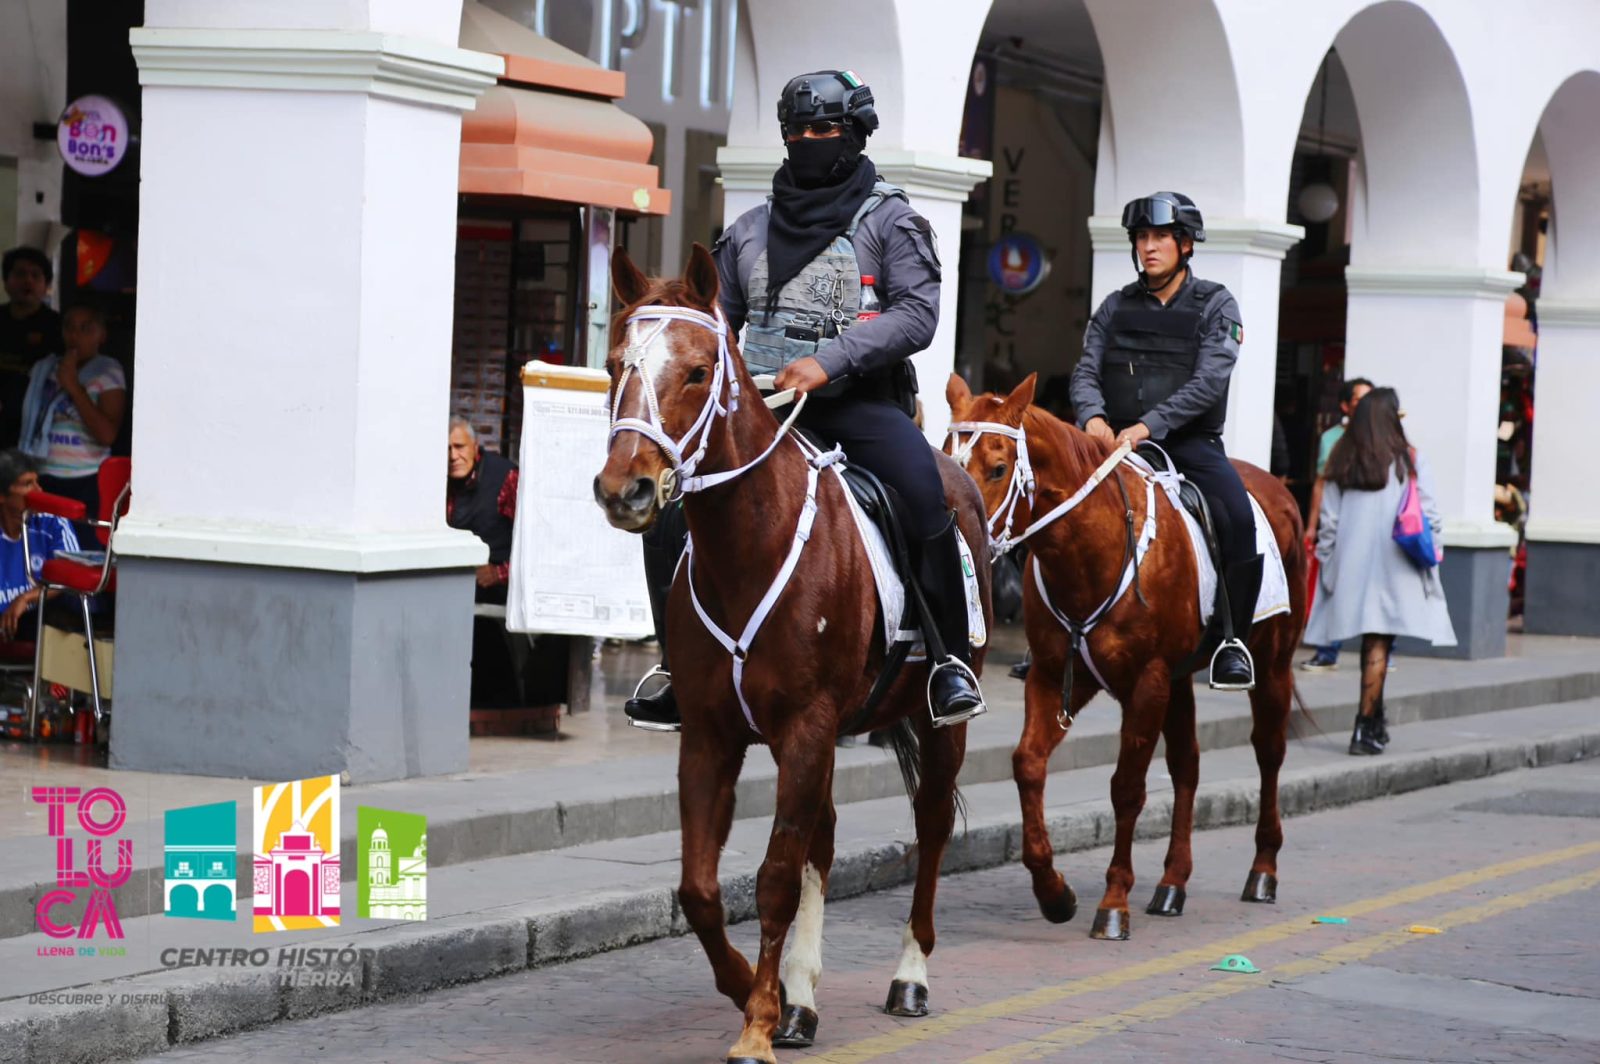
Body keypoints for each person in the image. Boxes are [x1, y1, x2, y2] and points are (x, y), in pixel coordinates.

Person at [624, 69, 986, 731]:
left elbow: (917, 315)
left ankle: (946, 660)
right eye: (796, 130)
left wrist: (828, 362)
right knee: (674, 503)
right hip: (758, 410)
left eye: (823, 128)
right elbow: (717, 321)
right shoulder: (749, 230)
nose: (808, 139)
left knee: (926, 492)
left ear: (852, 134)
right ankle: (679, 667)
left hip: (858, 405)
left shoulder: (891, 221)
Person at [1069, 191, 1260, 690]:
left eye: (1160, 238)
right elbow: (1085, 371)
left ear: (1185, 245)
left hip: (1188, 446)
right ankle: (1054, 637)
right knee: (1052, 508)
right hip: (1114, 446)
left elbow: (1209, 382)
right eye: (1142, 238)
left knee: (1239, 517)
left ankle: (1231, 640)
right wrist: (1092, 416)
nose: (1149, 247)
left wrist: (1148, 426)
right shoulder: (1114, 306)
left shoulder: (1218, 304)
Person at [1303, 388, 1455, 755]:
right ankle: (1364, 728)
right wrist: (1435, 551)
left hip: (1353, 567)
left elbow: (1329, 522)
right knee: (1379, 644)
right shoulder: (1409, 461)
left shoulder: (1343, 461)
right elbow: (1431, 515)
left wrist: (1329, 563)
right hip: (1397, 565)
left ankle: (1375, 721)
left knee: (1376, 644)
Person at [18, 304, 128, 529]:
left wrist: (73, 387)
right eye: (69, 328)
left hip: (86, 479)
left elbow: (107, 435)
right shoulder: (45, 369)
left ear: (102, 336)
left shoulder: (109, 371)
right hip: (43, 476)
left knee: (79, 550)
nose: (75, 335)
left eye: (86, 329)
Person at [1300, 376, 1372, 671]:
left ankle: (1383, 652)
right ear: (1345, 405)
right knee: (1330, 585)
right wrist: (1311, 526)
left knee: (1374, 589)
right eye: (1360, 400)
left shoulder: (1383, 438)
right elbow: (1321, 484)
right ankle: (1327, 652)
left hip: (1372, 527)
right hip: (1339, 525)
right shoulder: (1332, 439)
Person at [0, 449, 79, 643]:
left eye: (37, 482)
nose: (39, 491)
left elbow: (73, 575)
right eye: (28, 484)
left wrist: (26, 599)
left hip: (40, 618)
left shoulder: (53, 520)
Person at [0, 247, 62, 449]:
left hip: (37, 428)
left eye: (36, 275)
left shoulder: (58, 326)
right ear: (6, 282)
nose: (28, 280)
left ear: (46, 285)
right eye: (20, 274)